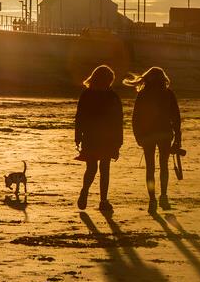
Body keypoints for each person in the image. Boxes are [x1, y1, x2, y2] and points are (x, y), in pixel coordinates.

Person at [123, 67, 181, 213]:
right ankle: (163, 196)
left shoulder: (143, 94)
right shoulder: (168, 94)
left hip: (148, 135)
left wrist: (138, 136)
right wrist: (178, 138)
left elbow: (136, 118)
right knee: (164, 167)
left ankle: (152, 200)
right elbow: (176, 118)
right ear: (163, 78)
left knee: (150, 169)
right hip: (165, 134)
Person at [75, 65, 123, 212]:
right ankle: (103, 201)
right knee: (105, 169)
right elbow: (118, 120)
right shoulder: (113, 96)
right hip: (107, 138)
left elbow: (79, 117)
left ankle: (85, 191)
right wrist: (119, 141)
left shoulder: (86, 94)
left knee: (91, 168)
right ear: (109, 80)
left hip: (90, 137)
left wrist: (78, 137)